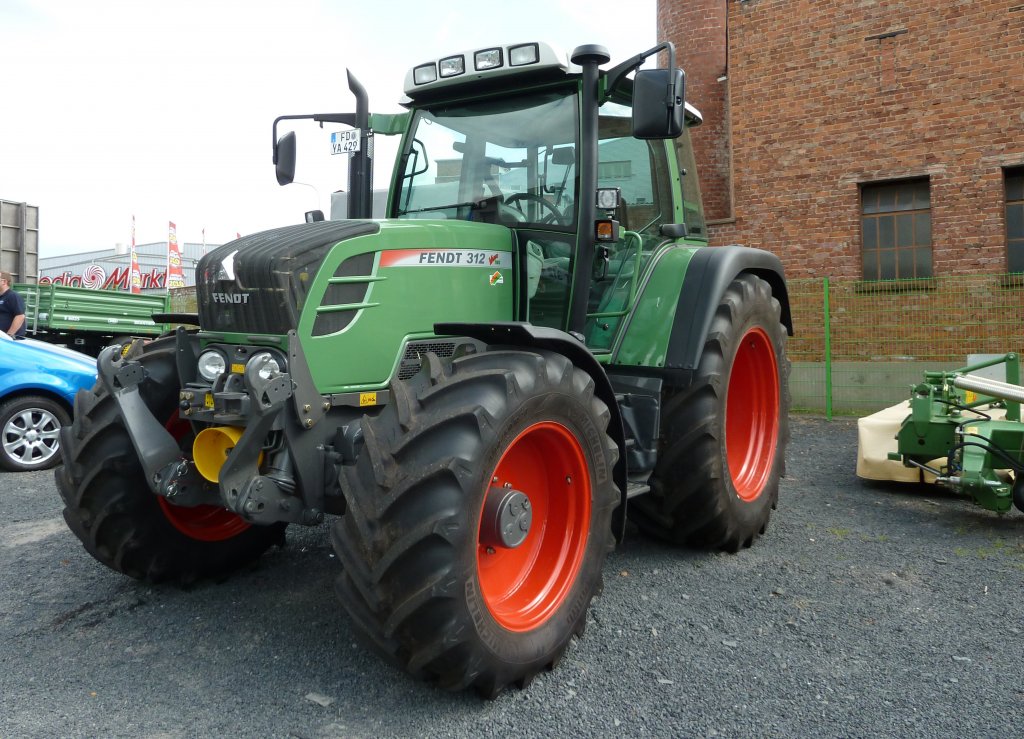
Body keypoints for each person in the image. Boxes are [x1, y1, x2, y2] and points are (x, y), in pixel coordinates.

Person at [0, 270, 27, 339]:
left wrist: (8, 336)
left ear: (4, 282)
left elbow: (20, 316)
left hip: (11, 340)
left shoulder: (13, 296)